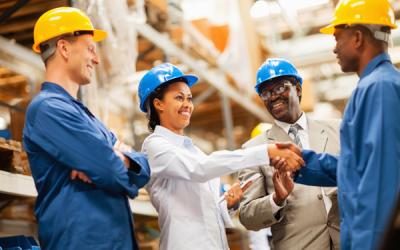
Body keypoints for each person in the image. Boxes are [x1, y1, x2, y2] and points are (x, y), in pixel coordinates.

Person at [137, 63, 304, 250]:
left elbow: (201, 212)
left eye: (189, 98)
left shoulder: (193, 151)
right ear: (158, 103)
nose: (187, 105)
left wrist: (228, 204)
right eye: (179, 98)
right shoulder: (155, 146)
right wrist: (265, 152)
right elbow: (200, 169)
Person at [23, 7, 150, 249]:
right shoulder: (47, 110)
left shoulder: (85, 116)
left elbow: (142, 167)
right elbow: (109, 171)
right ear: (64, 48)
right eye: (91, 48)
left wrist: (120, 159)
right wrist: (111, 161)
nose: (97, 59)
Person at [276, 1, 400, 249]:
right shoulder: (371, 87)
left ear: (357, 38)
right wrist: (301, 161)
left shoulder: (380, 88)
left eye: (337, 38)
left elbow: (382, 181)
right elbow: (355, 169)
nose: (334, 49)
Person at [238, 59, 341, 250]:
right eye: (266, 93)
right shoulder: (254, 150)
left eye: (279, 88)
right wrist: (276, 199)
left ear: (298, 89)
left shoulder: (338, 130)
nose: (273, 97)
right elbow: (247, 216)